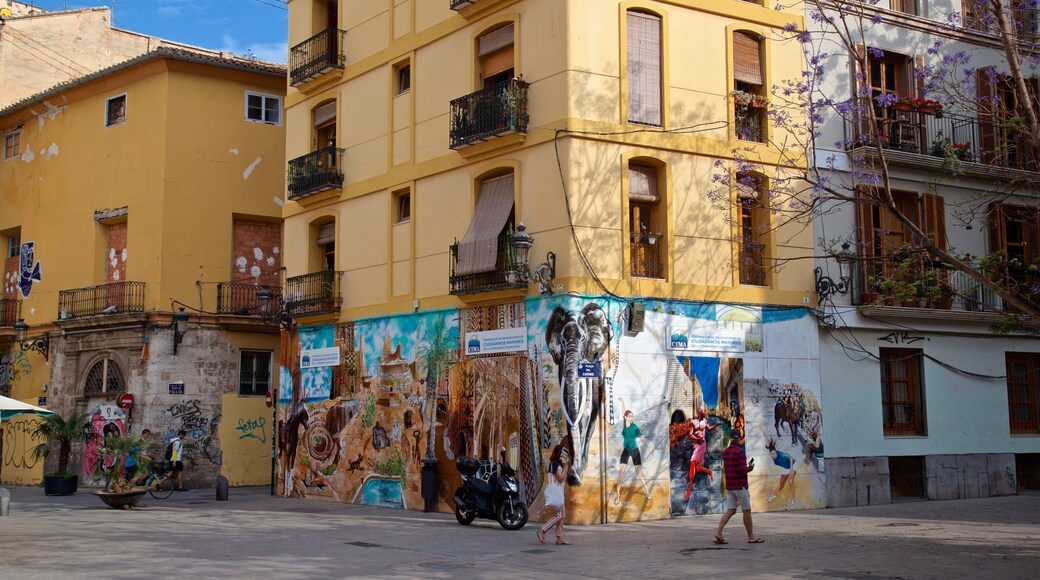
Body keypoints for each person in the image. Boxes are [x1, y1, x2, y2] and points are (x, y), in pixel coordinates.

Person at [714, 437, 763, 544]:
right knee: (747, 511)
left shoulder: (725, 452)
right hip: (740, 486)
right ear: (739, 438)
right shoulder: (740, 452)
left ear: (731, 439)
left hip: (730, 486)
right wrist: (750, 467)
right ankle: (751, 537)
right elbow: (742, 470)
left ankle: (719, 532)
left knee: (731, 510)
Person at [612, 396, 654, 503]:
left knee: (640, 474)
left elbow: (641, 437)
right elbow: (623, 411)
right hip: (626, 451)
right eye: (630, 416)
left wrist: (648, 447)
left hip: (635, 451)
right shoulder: (625, 425)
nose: (632, 417)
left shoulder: (634, 426)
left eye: (632, 416)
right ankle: (618, 496)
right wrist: (622, 401)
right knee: (620, 474)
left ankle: (647, 492)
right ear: (626, 417)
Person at [537, 444, 571, 545]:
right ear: (560, 453)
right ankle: (542, 530)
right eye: (564, 454)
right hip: (557, 492)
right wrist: (565, 466)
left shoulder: (554, 463)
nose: (565, 456)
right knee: (560, 516)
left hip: (558, 492)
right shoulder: (556, 464)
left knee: (560, 515)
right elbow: (560, 479)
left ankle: (559, 538)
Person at [684, 406, 719, 500]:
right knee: (697, 467)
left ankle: (689, 490)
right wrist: (696, 439)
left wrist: (716, 425)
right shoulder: (694, 422)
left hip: (702, 445)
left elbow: (709, 428)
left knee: (692, 463)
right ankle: (708, 471)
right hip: (696, 444)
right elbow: (690, 434)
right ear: (699, 412)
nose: (704, 412)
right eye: (703, 410)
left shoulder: (704, 422)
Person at [766, 438, 797, 508]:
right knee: (781, 484)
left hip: (793, 464)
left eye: (774, 453)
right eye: (771, 454)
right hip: (786, 467)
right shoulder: (774, 458)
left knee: (791, 482)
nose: (773, 455)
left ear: (776, 451)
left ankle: (792, 501)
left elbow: (791, 458)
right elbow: (768, 444)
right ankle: (773, 495)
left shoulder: (781, 455)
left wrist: (791, 469)